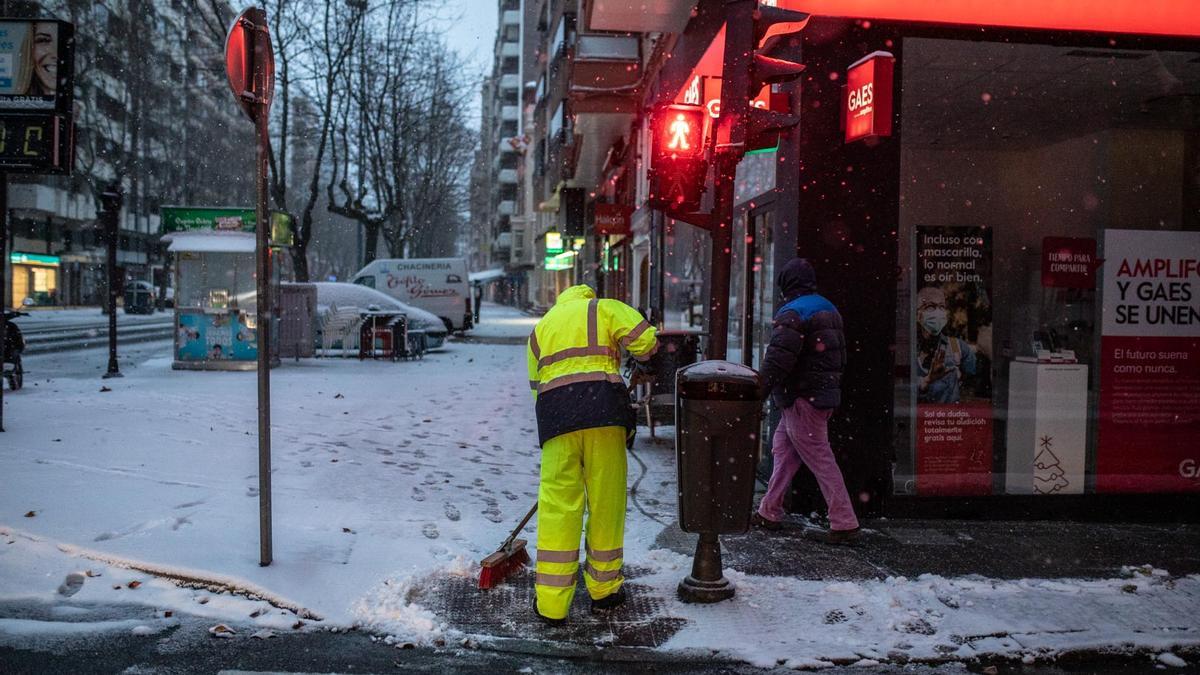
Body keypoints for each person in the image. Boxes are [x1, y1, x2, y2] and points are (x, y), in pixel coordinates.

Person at [526, 284, 658, 625]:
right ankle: (604, 591)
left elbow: (535, 387)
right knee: (605, 502)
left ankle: (552, 605)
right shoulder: (603, 308)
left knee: (558, 507)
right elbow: (646, 342)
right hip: (604, 416)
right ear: (586, 295)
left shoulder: (541, 329)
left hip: (557, 421)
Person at [752, 258, 860, 544]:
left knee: (820, 458)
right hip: (819, 395)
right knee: (784, 453)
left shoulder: (793, 313)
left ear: (786, 285)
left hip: (802, 398)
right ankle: (769, 510)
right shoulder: (828, 308)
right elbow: (840, 356)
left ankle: (844, 522)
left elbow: (778, 360)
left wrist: (759, 391)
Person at [915, 286, 979, 404]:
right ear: (917, 315)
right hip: (920, 419)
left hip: (947, 417)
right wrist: (926, 381)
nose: (938, 312)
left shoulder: (958, 347)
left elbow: (975, 383)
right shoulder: (908, 351)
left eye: (941, 307)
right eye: (930, 307)